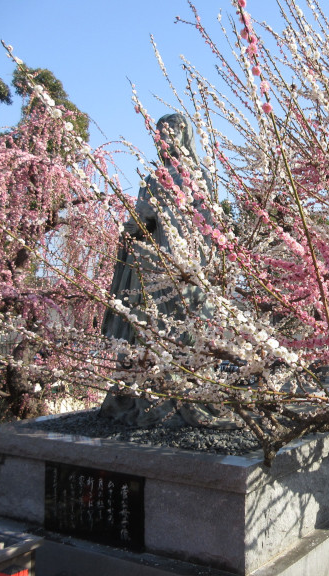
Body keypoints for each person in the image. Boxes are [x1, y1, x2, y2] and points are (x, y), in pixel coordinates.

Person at [100, 113, 215, 427]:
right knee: (159, 327)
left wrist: (146, 221)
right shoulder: (173, 177)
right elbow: (145, 220)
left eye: (167, 134)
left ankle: (166, 393)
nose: (162, 141)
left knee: (166, 328)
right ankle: (156, 392)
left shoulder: (179, 177)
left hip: (171, 266)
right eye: (159, 135)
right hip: (168, 267)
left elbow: (197, 224)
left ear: (181, 137)